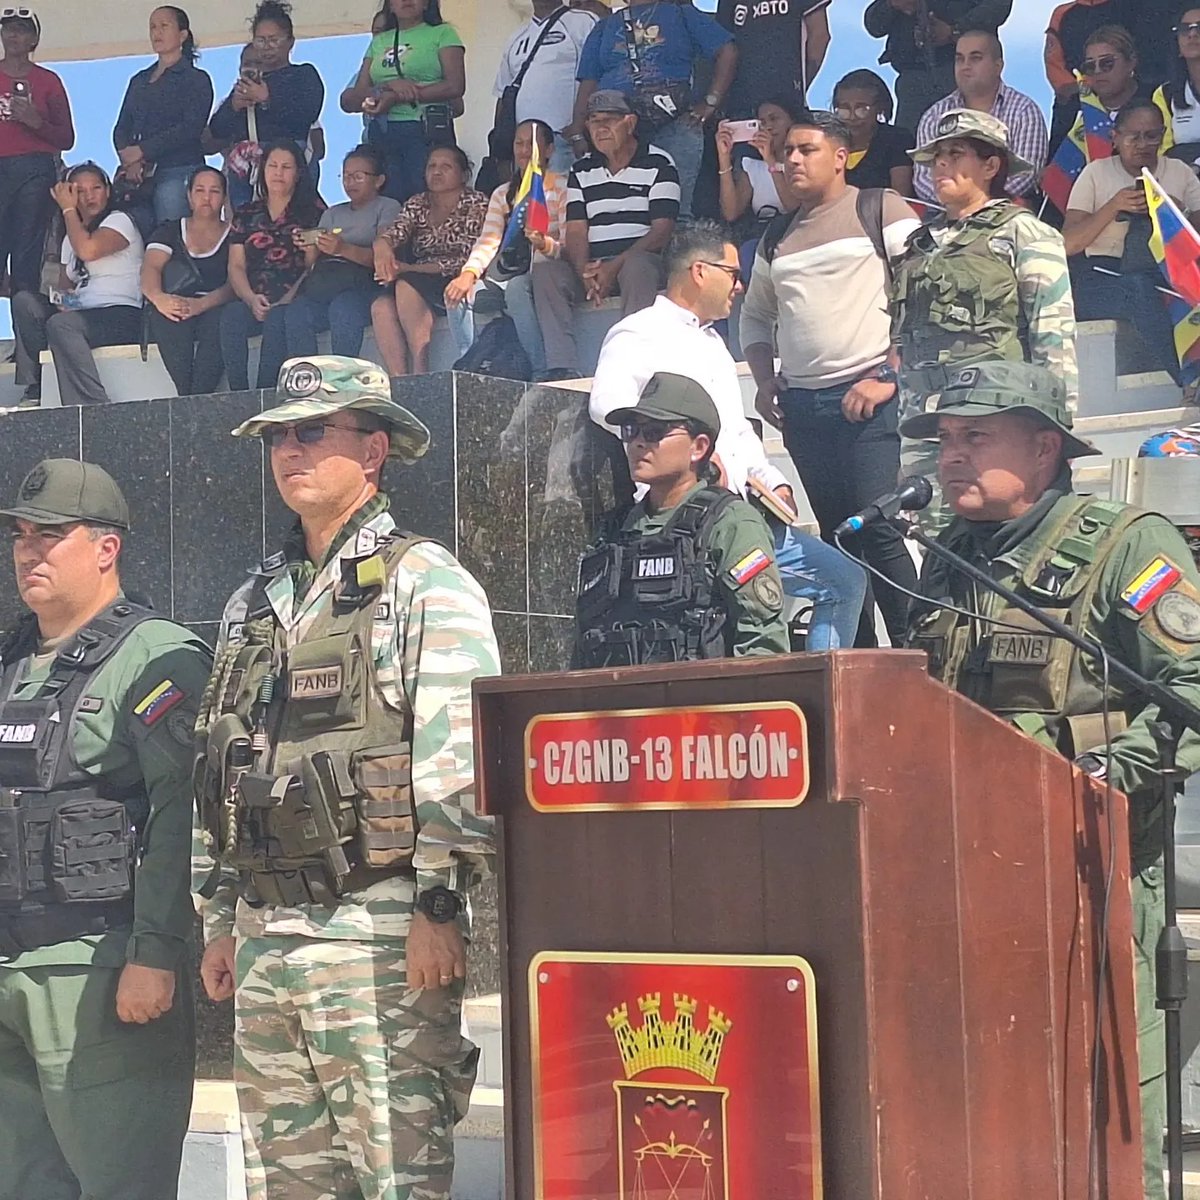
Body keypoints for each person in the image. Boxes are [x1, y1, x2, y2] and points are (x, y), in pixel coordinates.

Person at [196, 355, 499, 1200]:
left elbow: (461, 759)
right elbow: (221, 762)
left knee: (395, 1177)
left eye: (310, 432)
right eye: (278, 437)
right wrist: (218, 917)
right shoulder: (252, 602)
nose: (289, 451)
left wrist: (439, 907)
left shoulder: (424, 582)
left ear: (373, 450)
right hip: (265, 937)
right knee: (285, 1183)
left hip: (378, 936)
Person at [900, 358, 1200, 1200]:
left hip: (1093, 871)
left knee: (1109, 1104)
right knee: (994, 1098)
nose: (952, 457)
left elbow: (1190, 684)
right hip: (970, 869)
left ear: (1043, 449)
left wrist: (1102, 778)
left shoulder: (1122, 544)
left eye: (976, 437)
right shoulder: (946, 556)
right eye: (945, 440)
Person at [0, 458, 211, 1200]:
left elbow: (183, 817)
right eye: (20, 535)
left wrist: (155, 953)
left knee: (121, 1183)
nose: (29, 551)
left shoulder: (157, 657)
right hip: (9, 972)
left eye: (50, 535)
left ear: (105, 547)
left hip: (98, 974)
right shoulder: (10, 659)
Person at [589, 220, 867, 650]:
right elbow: (606, 405)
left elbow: (735, 429)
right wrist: (683, 450)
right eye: (733, 274)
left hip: (740, 514)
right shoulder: (638, 332)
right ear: (700, 272)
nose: (739, 286)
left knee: (845, 581)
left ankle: (818, 685)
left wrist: (771, 480)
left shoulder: (714, 343)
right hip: (680, 521)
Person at [741, 111, 921, 647]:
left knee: (879, 528)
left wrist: (889, 374)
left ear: (841, 157)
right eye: (787, 152)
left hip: (870, 399)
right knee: (839, 538)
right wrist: (764, 379)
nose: (792, 160)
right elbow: (755, 315)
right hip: (803, 408)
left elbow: (926, 291)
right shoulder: (777, 234)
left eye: (806, 150)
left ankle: (922, 653)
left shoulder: (881, 207)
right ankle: (858, 663)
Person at [894, 110, 1077, 524]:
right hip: (929, 424)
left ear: (991, 165)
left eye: (956, 154)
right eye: (937, 157)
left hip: (998, 424)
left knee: (1006, 534)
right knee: (936, 542)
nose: (941, 165)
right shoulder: (920, 244)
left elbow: (1054, 334)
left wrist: (1059, 428)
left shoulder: (1024, 233)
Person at [576, 371, 791, 665]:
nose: (637, 443)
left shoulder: (731, 523)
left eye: (654, 432)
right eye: (631, 431)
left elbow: (762, 643)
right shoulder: (615, 530)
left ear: (698, 447)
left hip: (701, 694)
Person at [1063, 98, 1200, 391]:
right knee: (1138, 289)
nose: (1142, 144)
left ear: (1163, 135)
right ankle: (1188, 382)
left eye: (1151, 135)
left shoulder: (1179, 172)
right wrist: (1114, 206)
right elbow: (1068, 244)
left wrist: (1177, 212)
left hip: (1166, 271)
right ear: (1115, 137)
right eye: (1133, 137)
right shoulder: (1096, 173)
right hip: (1103, 274)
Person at [571, 0, 737, 219]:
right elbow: (589, 81)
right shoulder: (605, 26)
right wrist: (578, 129)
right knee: (621, 211)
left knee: (675, 211)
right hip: (617, 126)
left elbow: (727, 50)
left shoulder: (682, 14)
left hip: (674, 122)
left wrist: (711, 101)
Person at [11, 163, 144, 407]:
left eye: (96, 188)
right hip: (81, 314)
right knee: (25, 302)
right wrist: (63, 302)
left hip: (120, 314)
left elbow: (88, 250)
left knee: (62, 325)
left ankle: (92, 405)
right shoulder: (69, 238)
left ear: (108, 191)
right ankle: (36, 386)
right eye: (79, 191)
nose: (89, 196)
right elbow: (65, 287)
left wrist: (68, 209)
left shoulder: (120, 221)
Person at [445, 119, 570, 380]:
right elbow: (488, 240)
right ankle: (470, 367)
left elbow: (567, 248)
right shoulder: (503, 193)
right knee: (457, 294)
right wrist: (468, 274)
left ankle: (538, 370)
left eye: (531, 145)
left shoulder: (562, 187)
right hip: (504, 274)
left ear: (548, 150)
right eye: (519, 143)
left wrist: (543, 244)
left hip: (543, 273)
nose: (524, 151)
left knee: (516, 289)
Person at [371, 144, 488, 378]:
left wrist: (408, 268)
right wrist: (382, 246)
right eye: (431, 166)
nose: (437, 171)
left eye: (446, 166)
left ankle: (419, 371)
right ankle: (399, 379)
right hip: (418, 276)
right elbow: (396, 232)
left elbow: (466, 257)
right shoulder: (418, 202)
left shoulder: (476, 203)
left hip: (459, 276)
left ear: (463, 174)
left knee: (406, 284)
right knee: (380, 307)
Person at [563, 90, 680, 321]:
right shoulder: (580, 169)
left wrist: (614, 266)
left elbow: (662, 231)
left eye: (609, 120)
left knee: (637, 266)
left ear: (630, 123)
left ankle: (634, 342)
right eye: (594, 121)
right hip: (595, 266)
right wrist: (585, 271)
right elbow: (576, 230)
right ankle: (558, 347)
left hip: (639, 263)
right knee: (546, 273)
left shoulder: (659, 163)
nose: (600, 129)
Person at [341, 0, 467, 205]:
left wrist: (401, 96)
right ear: (390, 6)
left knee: (427, 199)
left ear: (426, 4)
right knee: (388, 203)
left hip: (426, 132)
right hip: (383, 133)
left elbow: (455, 86)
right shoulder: (379, 41)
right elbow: (358, 92)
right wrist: (388, 86)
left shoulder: (443, 33)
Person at [221, 139, 322, 392]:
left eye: (286, 167)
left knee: (278, 319)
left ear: (298, 173)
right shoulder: (246, 213)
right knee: (231, 315)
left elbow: (314, 267)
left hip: (295, 299)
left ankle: (265, 393)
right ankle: (239, 392)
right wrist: (250, 299)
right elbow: (235, 266)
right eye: (272, 166)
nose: (278, 173)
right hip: (253, 298)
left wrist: (286, 299)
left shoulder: (313, 213)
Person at [285, 144, 400, 360]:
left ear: (379, 180)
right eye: (346, 176)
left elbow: (383, 257)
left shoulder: (388, 207)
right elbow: (312, 264)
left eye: (358, 176)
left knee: (343, 308)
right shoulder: (332, 213)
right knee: (297, 312)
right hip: (326, 284)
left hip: (364, 285)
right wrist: (310, 247)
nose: (350, 182)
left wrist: (342, 249)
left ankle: (344, 372)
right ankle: (306, 373)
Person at [208, 0, 325, 210]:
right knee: (247, 224)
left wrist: (268, 99)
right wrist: (234, 105)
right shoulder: (250, 82)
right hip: (247, 174)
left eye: (274, 40)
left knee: (294, 220)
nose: (267, 47)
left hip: (289, 164)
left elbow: (307, 113)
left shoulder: (303, 74)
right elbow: (217, 130)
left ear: (290, 42)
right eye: (260, 41)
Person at [913, 29, 1048, 203]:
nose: (965, 66)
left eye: (975, 58)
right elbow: (922, 178)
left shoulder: (1024, 110)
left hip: (1005, 211)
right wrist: (955, 199)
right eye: (959, 59)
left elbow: (1026, 174)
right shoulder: (934, 115)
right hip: (942, 210)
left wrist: (976, 201)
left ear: (998, 66)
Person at [112, 6, 213, 230]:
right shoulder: (139, 80)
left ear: (182, 35)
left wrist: (143, 150)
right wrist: (129, 159)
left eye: (164, 26)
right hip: (139, 174)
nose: (157, 32)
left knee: (169, 235)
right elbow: (122, 126)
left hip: (179, 169)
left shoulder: (196, 79)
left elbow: (191, 127)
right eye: (153, 27)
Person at [141, 165, 234, 397]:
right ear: (189, 197)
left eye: (214, 191)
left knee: (222, 322)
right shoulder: (169, 230)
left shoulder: (235, 234)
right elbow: (151, 267)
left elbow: (235, 283)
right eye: (200, 190)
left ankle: (197, 397)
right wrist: (159, 298)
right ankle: (186, 395)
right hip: (175, 301)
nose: (206, 197)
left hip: (215, 305)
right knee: (167, 318)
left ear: (224, 198)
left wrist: (200, 305)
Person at [0, 8, 73, 298]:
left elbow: (66, 138)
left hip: (35, 170)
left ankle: (25, 324)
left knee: (27, 257)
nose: (12, 35)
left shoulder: (48, 81)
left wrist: (36, 122)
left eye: (21, 29)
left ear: (33, 39)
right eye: (8, 28)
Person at [863, 0, 1013, 135]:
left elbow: (998, 6)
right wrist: (892, 4)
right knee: (908, 146)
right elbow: (874, 25)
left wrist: (955, 30)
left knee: (970, 141)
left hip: (963, 72)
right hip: (914, 79)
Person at [493, 0, 597, 175]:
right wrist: (501, 149)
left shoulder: (584, 21)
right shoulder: (516, 36)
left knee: (561, 192)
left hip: (565, 139)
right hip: (524, 144)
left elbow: (596, 75)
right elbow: (504, 93)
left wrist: (579, 129)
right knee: (528, 193)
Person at [714, 95, 804, 276]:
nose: (768, 127)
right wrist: (723, 157)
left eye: (774, 119)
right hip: (759, 240)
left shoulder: (802, 163)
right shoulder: (752, 166)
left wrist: (771, 160)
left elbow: (793, 207)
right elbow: (731, 212)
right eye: (762, 122)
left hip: (795, 238)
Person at [716, 0, 830, 116]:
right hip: (741, 103)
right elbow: (724, 48)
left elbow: (819, 36)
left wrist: (799, 84)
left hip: (787, 105)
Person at [833, 69, 914, 194]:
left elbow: (901, 196)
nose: (852, 117)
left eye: (862, 109)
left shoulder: (896, 139)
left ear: (880, 108)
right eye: (844, 109)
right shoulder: (830, 143)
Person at [1154, 7, 1200, 166]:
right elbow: (1162, 154)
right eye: (1185, 29)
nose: (1192, 34)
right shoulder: (1165, 94)